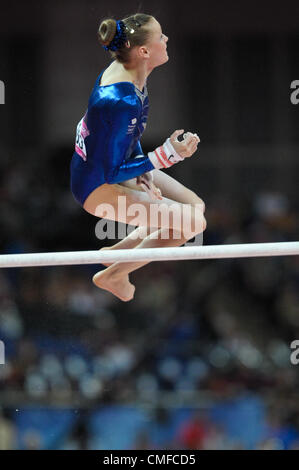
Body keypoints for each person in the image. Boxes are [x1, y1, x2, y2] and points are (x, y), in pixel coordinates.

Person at [70, 13, 207, 302]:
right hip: (97, 187)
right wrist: (165, 155)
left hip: (110, 168)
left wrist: (144, 170)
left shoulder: (129, 74)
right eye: (161, 36)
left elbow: (123, 138)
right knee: (194, 225)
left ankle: (119, 252)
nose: (166, 39)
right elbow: (112, 171)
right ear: (144, 51)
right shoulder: (121, 100)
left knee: (195, 206)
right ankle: (113, 275)